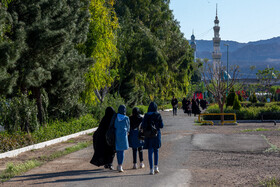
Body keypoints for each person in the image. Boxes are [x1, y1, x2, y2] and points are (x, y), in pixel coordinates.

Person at [142, 102, 164, 175]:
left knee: (150, 151)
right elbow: (161, 126)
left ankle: (151, 169)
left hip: (148, 135)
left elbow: (143, 126)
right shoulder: (158, 115)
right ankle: (156, 167)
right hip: (156, 134)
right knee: (156, 150)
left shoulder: (146, 115)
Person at [114, 105, 130, 172]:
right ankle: (120, 165)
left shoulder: (116, 117)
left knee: (118, 151)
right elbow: (128, 127)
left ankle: (118, 164)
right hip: (124, 136)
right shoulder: (126, 118)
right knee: (122, 151)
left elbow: (115, 125)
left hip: (117, 135)